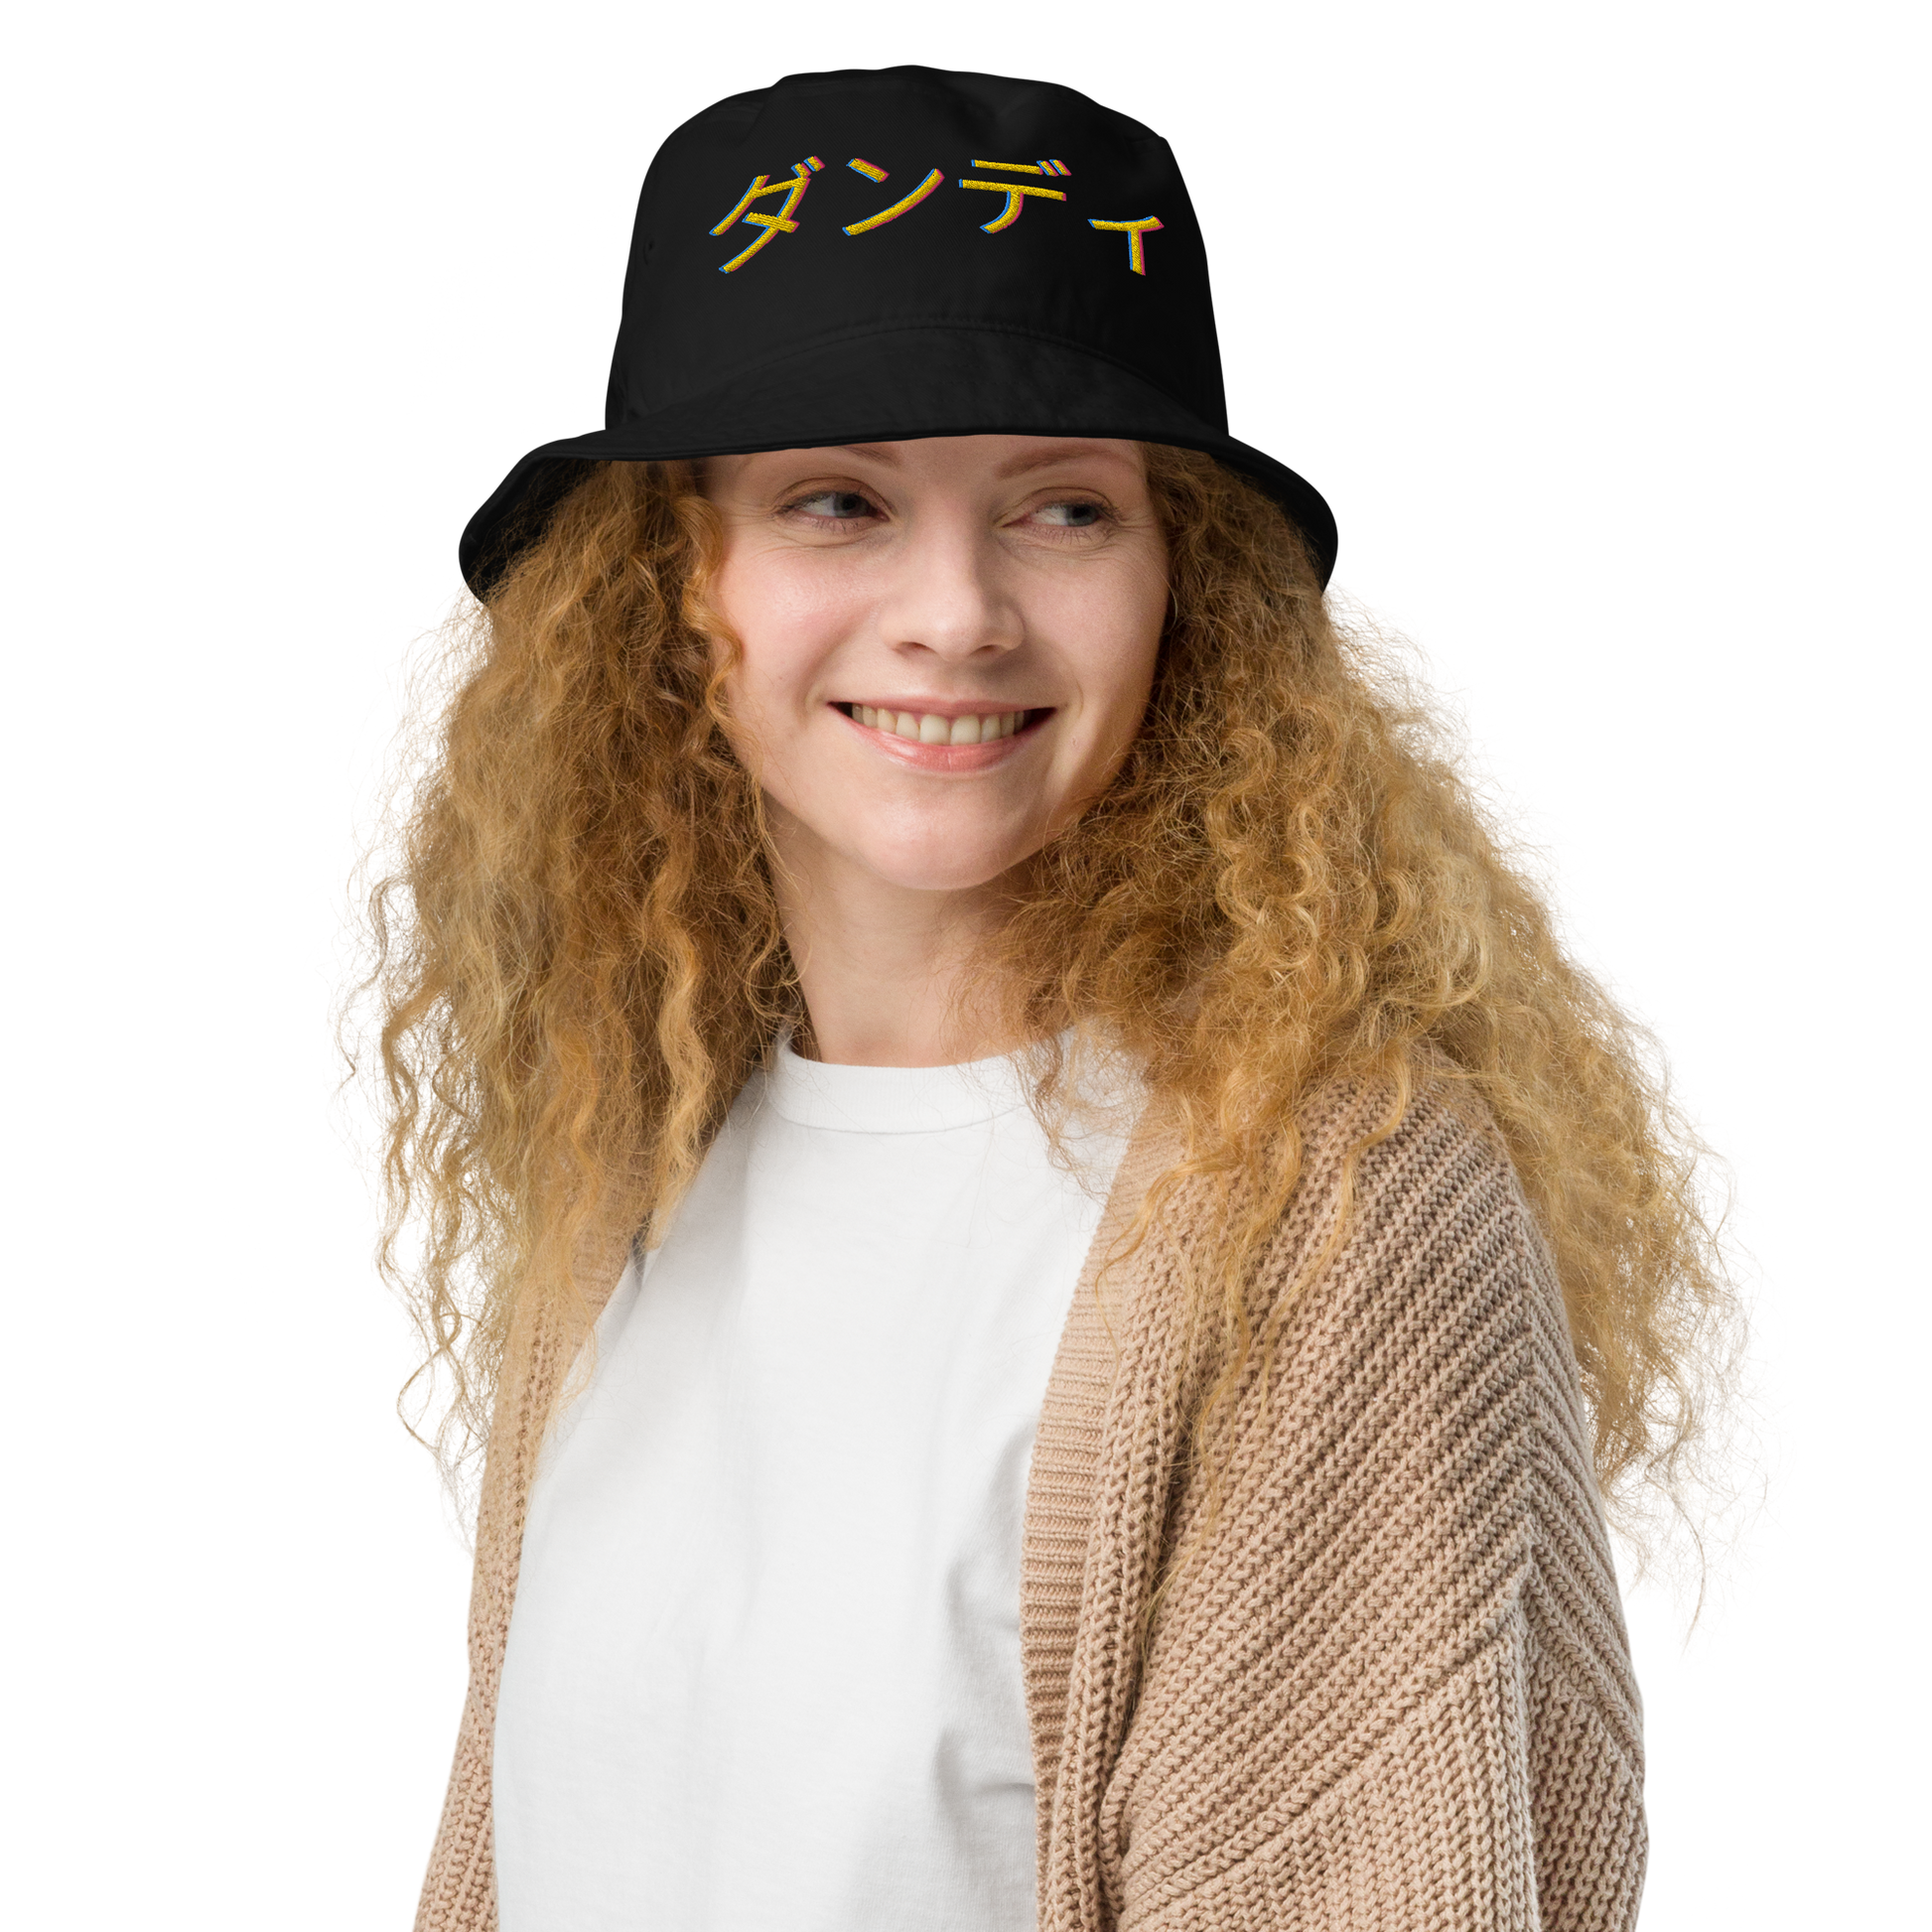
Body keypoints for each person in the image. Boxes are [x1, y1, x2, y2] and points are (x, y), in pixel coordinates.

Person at [317, 64, 1812, 1932]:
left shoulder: (1326, 1215)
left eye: (1063, 509)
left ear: (1182, 583)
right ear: (672, 588)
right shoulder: (624, 1172)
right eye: (838, 501)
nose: (956, 612)